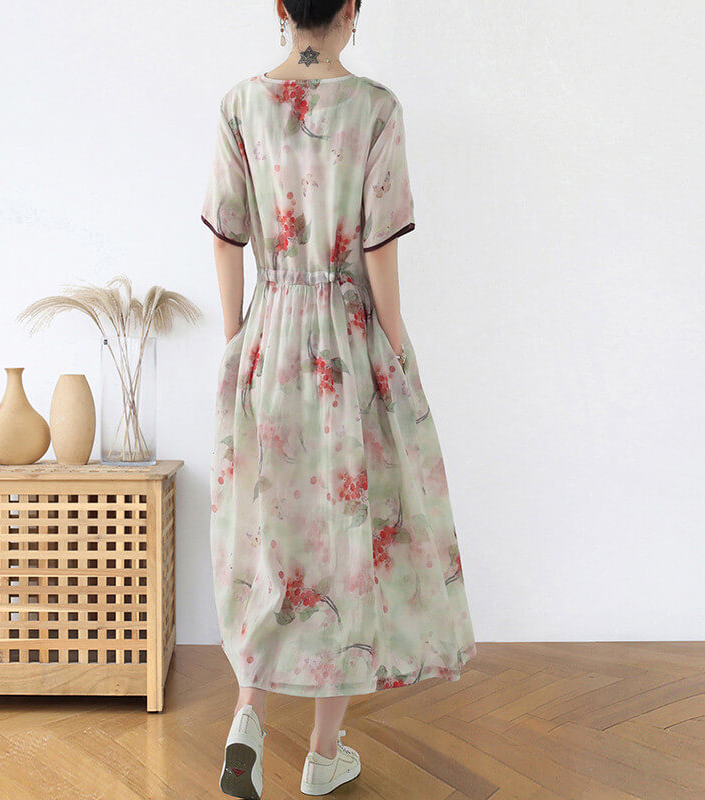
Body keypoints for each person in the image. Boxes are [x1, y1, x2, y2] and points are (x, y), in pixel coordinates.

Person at [201, 0, 477, 796]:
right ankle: (323, 758)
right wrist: (397, 349)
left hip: (270, 333)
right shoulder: (376, 109)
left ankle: (247, 718)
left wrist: (237, 340)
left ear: (280, 8)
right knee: (345, 547)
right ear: (352, 9)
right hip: (348, 343)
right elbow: (380, 252)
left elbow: (224, 236)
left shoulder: (240, 105)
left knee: (271, 535)